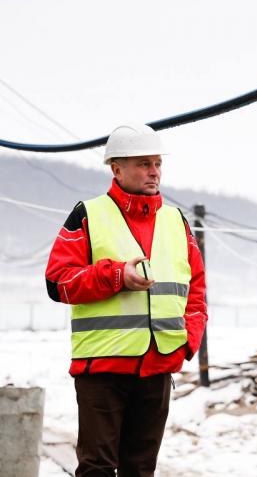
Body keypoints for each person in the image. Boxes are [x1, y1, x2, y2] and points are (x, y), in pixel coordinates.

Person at [45, 123, 207, 476]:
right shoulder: (88, 214)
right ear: (116, 169)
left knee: (141, 469)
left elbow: (196, 290)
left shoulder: (175, 221)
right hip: (102, 368)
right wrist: (117, 277)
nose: (154, 172)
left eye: (157, 163)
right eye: (143, 163)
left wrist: (187, 341)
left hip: (158, 367)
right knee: (97, 468)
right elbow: (57, 282)